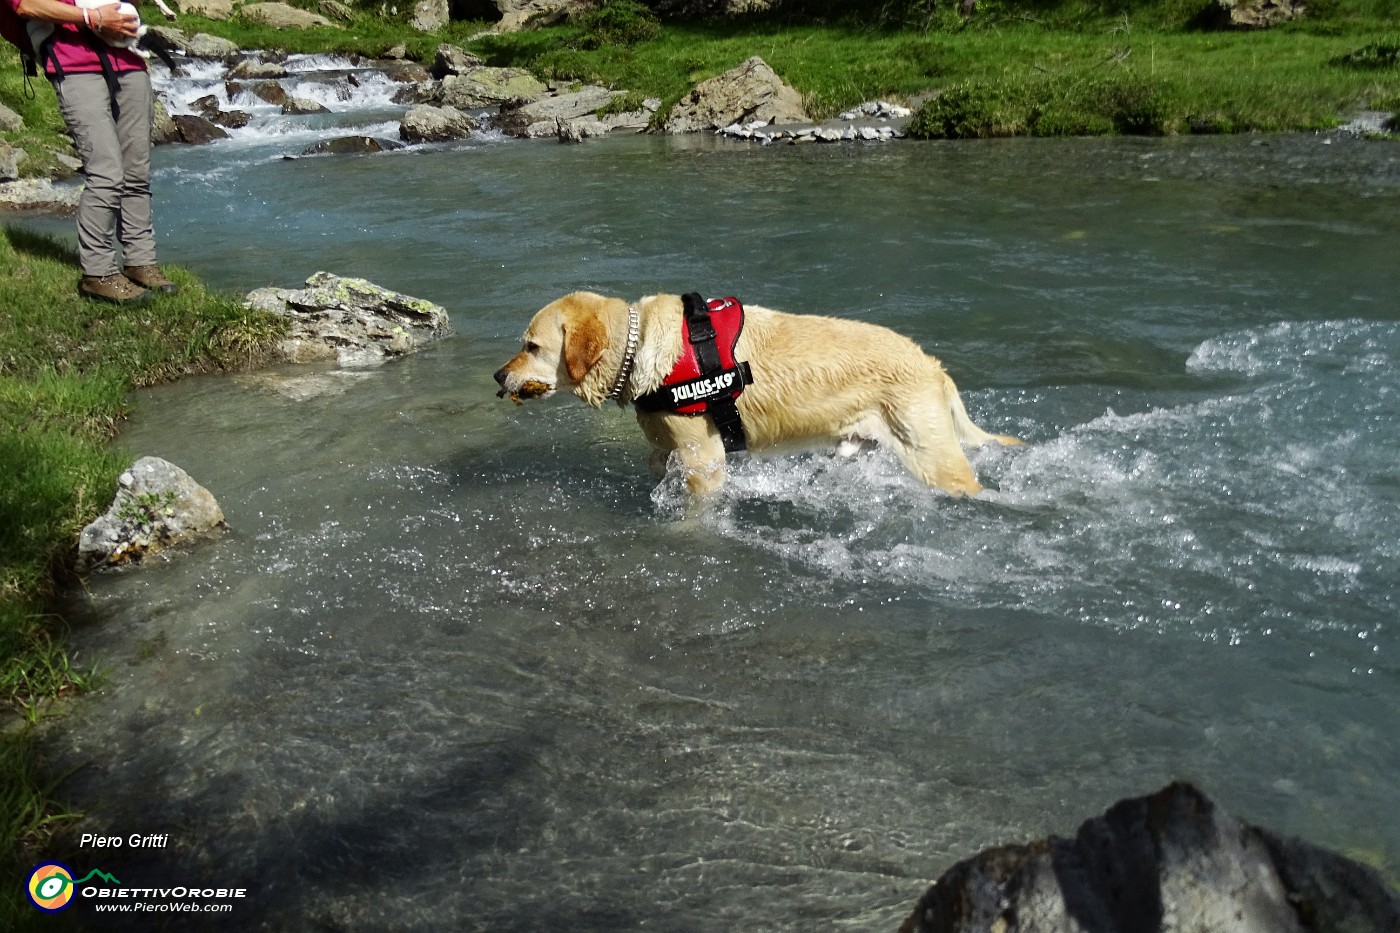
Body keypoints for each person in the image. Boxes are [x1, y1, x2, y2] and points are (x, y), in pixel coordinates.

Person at [4, 0, 177, 303]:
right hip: (74, 64)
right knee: (106, 172)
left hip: (129, 59)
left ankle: (140, 262)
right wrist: (92, 17)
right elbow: (26, 6)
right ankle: (98, 274)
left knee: (136, 171)